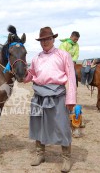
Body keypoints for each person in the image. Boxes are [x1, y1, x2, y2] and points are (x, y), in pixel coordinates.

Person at [24, 27, 76, 172]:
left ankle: (66, 157)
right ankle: (40, 154)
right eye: (42, 40)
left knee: (62, 126)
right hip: (38, 95)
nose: (45, 42)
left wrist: (71, 99)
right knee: (37, 124)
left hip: (57, 95)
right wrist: (21, 74)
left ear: (53, 39)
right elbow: (30, 75)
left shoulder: (63, 55)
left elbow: (71, 77)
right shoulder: (36, 58)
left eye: (48, 39)